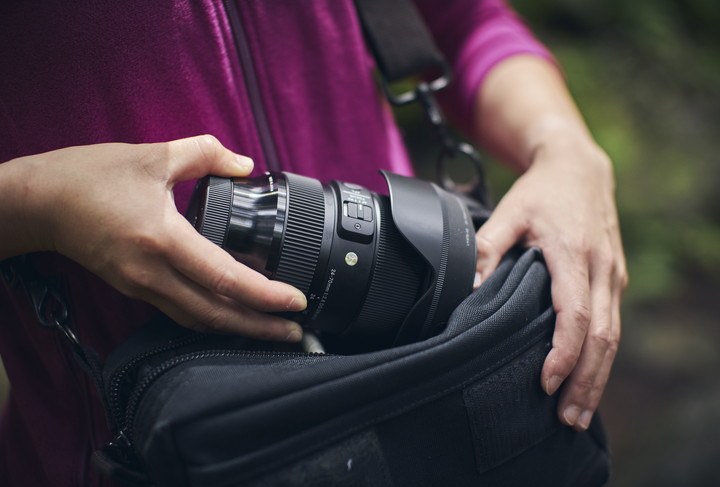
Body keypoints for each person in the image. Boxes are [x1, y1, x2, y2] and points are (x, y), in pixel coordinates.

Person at [0, 1, 627, 485]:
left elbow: (461, 22)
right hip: (145, 445)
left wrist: (566, 149)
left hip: (416, 366)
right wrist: (40, 203)